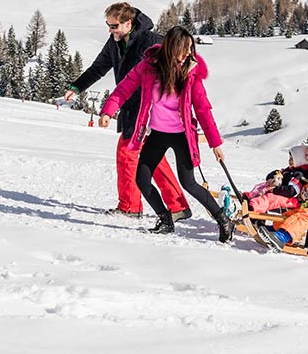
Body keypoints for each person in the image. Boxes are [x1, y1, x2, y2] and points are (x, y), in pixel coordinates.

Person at [99, 26, 235, 242]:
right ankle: (165, 219)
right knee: (142, 180)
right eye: (184, 49)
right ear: (171, 48)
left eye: (191, 48)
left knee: (188, 183)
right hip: (157, 134)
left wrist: (215, 143)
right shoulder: (148, 67)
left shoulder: (191, 74)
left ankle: (223, 219)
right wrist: (108, 111)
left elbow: (203, 110)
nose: (188, 54)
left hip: (182, 135)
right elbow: (123, 90)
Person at [64, 3, 189, 220]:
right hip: (131, 107)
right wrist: (76, 86)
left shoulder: (151, 41)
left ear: (128, 23)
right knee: (153, 158)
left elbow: (177, 60)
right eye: (108, 25)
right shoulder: (114, 43)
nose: (110, 30)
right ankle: (178, 205)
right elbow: (98, 68)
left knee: (127, 154)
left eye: (114, 25)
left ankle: (130, 206)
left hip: (148, 109)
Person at [244, 137, 308, 214]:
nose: (306, 150)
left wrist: (275, 190)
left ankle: (253, 207)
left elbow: (294, 189)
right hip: (293, 196)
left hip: (298, 201)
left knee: (270, 198)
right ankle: (251, 199)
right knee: (264, 191)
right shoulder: (306, 167)